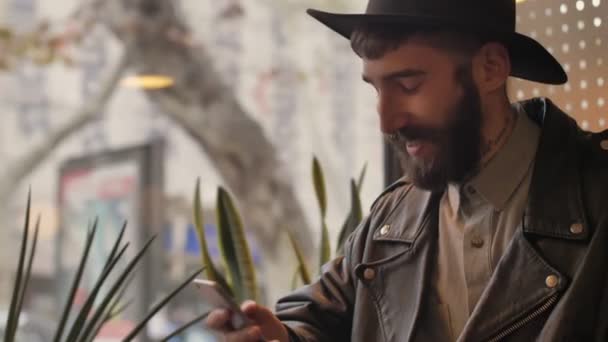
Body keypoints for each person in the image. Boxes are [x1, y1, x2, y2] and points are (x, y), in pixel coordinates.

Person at [206, 0, 608, 341]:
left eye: (409, 85)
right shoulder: (391, 219)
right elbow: (314, 320)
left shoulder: (598, 194)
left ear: (490, 67)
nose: (386, 120)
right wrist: (276, 335)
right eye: (377, 88)